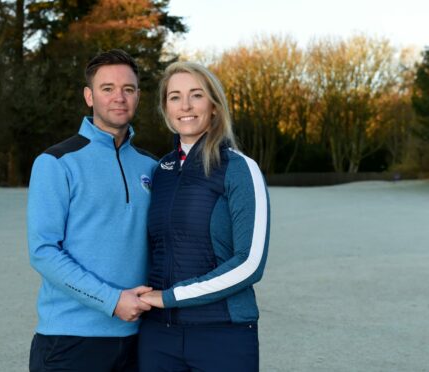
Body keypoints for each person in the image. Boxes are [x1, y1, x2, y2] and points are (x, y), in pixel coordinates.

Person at [27, 49, 157, 372]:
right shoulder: (56, 163)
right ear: (89, 96)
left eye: (128, 89)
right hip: (70, 341)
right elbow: (43, 252)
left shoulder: (152, 166)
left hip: (137, 337)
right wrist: (111, 302)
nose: (119, 97)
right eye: (107, 88)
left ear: (138, 96)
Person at [138, 62, 270, 372]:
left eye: (196, 95)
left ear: (213, 105)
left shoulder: (239, 168)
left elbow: (250, 264)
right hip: (158, 335)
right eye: (174, 97)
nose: (185, 105)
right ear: (165, 108)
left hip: (222, 333)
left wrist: (171, 297)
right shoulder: (160, 171)